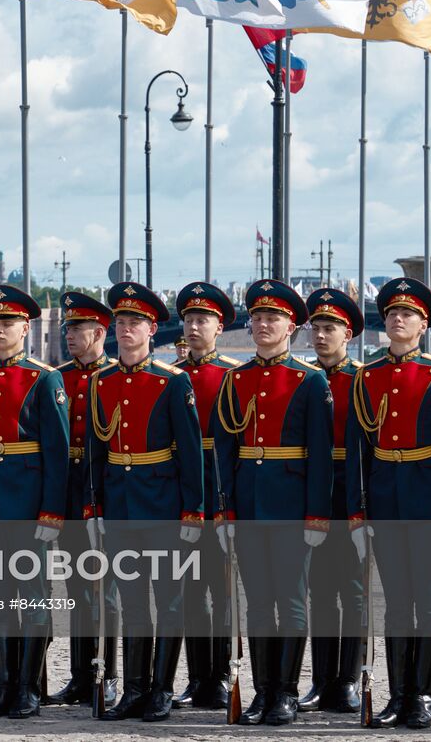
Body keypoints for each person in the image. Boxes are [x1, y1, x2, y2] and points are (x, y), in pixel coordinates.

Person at [347, 278, 431, 729]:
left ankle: (423, 696)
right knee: (396, 604)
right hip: (385, 500)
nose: (397, 321)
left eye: (408, 315)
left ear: (423, 325)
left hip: (429, 503)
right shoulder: (369, 375)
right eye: (392, 314)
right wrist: (358, 512)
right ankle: (398, 694)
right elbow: (359, 450)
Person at [211, 279, 332, 726]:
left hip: (291, 504)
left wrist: (317, 514)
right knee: (258, 601)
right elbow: (225, 451)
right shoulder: (234, 379)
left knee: (292, 600)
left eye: (273, 319)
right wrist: (225, 510)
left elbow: (321, 457)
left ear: (291, 327)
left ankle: (285, 691)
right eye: (258, 318)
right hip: (247, 504)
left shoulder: (309, 379)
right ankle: (262, 690)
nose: (263, 325)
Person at [88, 282, 204, 723]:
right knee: (133, 600)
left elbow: (191, 452)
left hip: (162, 503)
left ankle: (161, 689)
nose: (126, 330)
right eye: (120, 323)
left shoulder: (173, 382)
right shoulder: (103, 381)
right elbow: (98, 452)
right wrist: (94, 507)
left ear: (152, 329)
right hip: (120, 503)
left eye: (135, 323)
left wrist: (193, 510)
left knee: (169, 600)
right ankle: (134, 688)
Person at [0, 284, 68, 719]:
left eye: (9, 323)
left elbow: (57, 454)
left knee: (33, 596)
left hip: (28, 502)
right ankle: (4, 687)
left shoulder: (45, 378)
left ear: (26, 327)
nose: (0, 330)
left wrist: (51, 511)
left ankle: (28, 689)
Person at [46, 290, 118, 708]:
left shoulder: (111, 376)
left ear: (100, 332)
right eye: (68, 328)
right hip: (70, 486)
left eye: (78, 328)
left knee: (104, 587)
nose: (70, 335)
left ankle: (106, 672)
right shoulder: (60, 376)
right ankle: (79, 675)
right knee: (75, 585)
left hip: (104, 487)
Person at [172, 282, 240, 710]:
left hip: (218, 490)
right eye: (189, 320)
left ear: (219, 327)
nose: (194, 327)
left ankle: (219, 676)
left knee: (222, 588)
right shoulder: (175, 375)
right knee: (189, 590)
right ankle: (197, 677)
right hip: (181, 491)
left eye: (203, 320)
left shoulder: (231, 375)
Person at [300, 286, 365, 714]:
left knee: (355, 591)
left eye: (331, 328)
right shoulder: (303, 379)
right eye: (317, 327)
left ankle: (348, 680)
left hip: (351, 492)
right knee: (319, 591)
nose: (322, 336)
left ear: (349, 334)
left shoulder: (363, 378)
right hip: (314, 494)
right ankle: (321, 680)